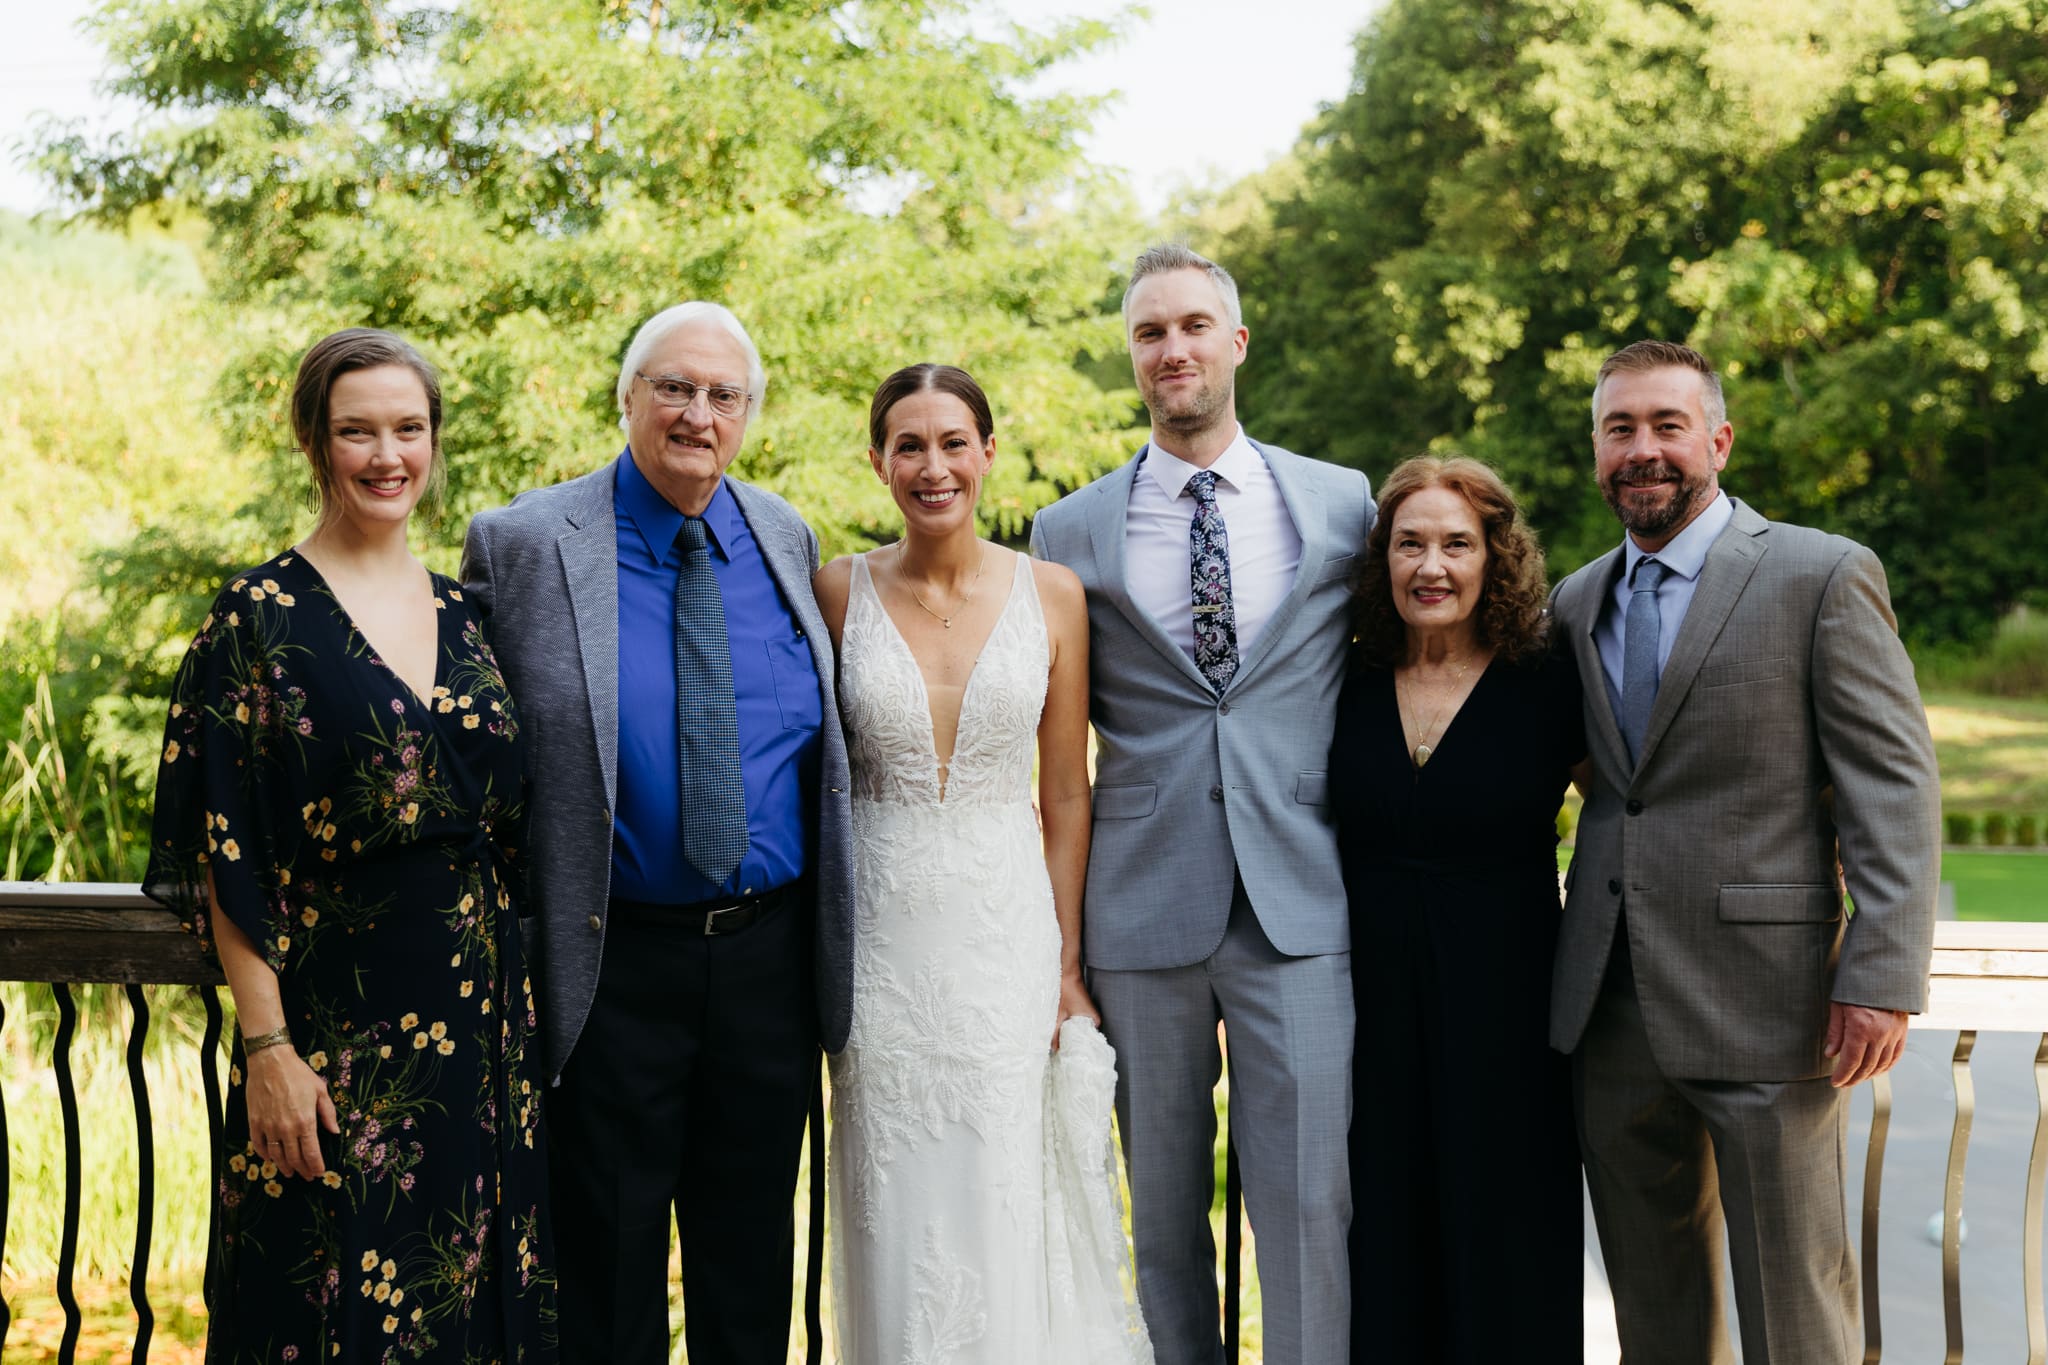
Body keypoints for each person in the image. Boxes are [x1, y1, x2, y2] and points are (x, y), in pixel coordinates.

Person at [144, 328, 556, 1363]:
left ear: (434, 441)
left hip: (482, 1043)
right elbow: (227, 852)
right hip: (335, 1039)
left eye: (408, 429)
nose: (387, 456)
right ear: (313, 442)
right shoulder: (257, 618)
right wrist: (268, 1050)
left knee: (472, 1314)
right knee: (327, 1314)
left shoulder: (467, 613)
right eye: (357, 431)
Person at [459, 303, 854, 1364]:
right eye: (674, 388)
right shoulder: (524, 544)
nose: (697, 414)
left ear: (749, 414)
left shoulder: (782, 534)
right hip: (612, 966)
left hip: (769, 966)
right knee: (607, 1274)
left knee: (749, 1273)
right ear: (626, 397)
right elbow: (473, 761)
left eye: (724, 395)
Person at [1551, 340, 1942, 1364]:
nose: (1641, 449)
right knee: (1653, 1304)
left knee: (1794, 1301)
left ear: (1717, 441)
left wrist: (1881, 973)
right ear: (1595, 450)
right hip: (1609, 1005)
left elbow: (1892, 786)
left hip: (1773, 1002)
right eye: (1619, 429)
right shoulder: (1573, 602)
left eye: (1666, 426)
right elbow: (1615, 786)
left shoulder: (1820, 574)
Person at [1029, 244, 1375, 1365]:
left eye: (1190, 326)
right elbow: (1055, 744)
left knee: (1310, 1206)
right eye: (1148, 332)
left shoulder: (1341, 502)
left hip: (1301, 900)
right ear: (1132, 356)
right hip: (1140, 910)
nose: (1171, 348)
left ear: (1236, 341)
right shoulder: (1067, 531)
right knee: (1163, 1216)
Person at [814, 363, 1151, 1364]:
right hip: (881, 953)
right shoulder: (834, 591)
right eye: (909, 446)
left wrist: (1065, 963)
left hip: (1007, 943)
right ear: (877, 462)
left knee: (1007, 1194)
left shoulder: (1054, 596)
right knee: (896, 1205)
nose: (933, 467)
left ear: (988, 452)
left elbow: (1066, 794)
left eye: (953, 443)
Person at [1328, 455, 1583, 1362]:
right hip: (1368, 1016)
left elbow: (1632, 811)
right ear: (1382, 559)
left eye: (1456, 544)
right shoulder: (1346, 678)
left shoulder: (1547, 681)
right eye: (1409, 544)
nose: (1430, 566)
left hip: (1511, 1015)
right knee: (1383, 1240)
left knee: (1506, 1244)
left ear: (1494, 558)